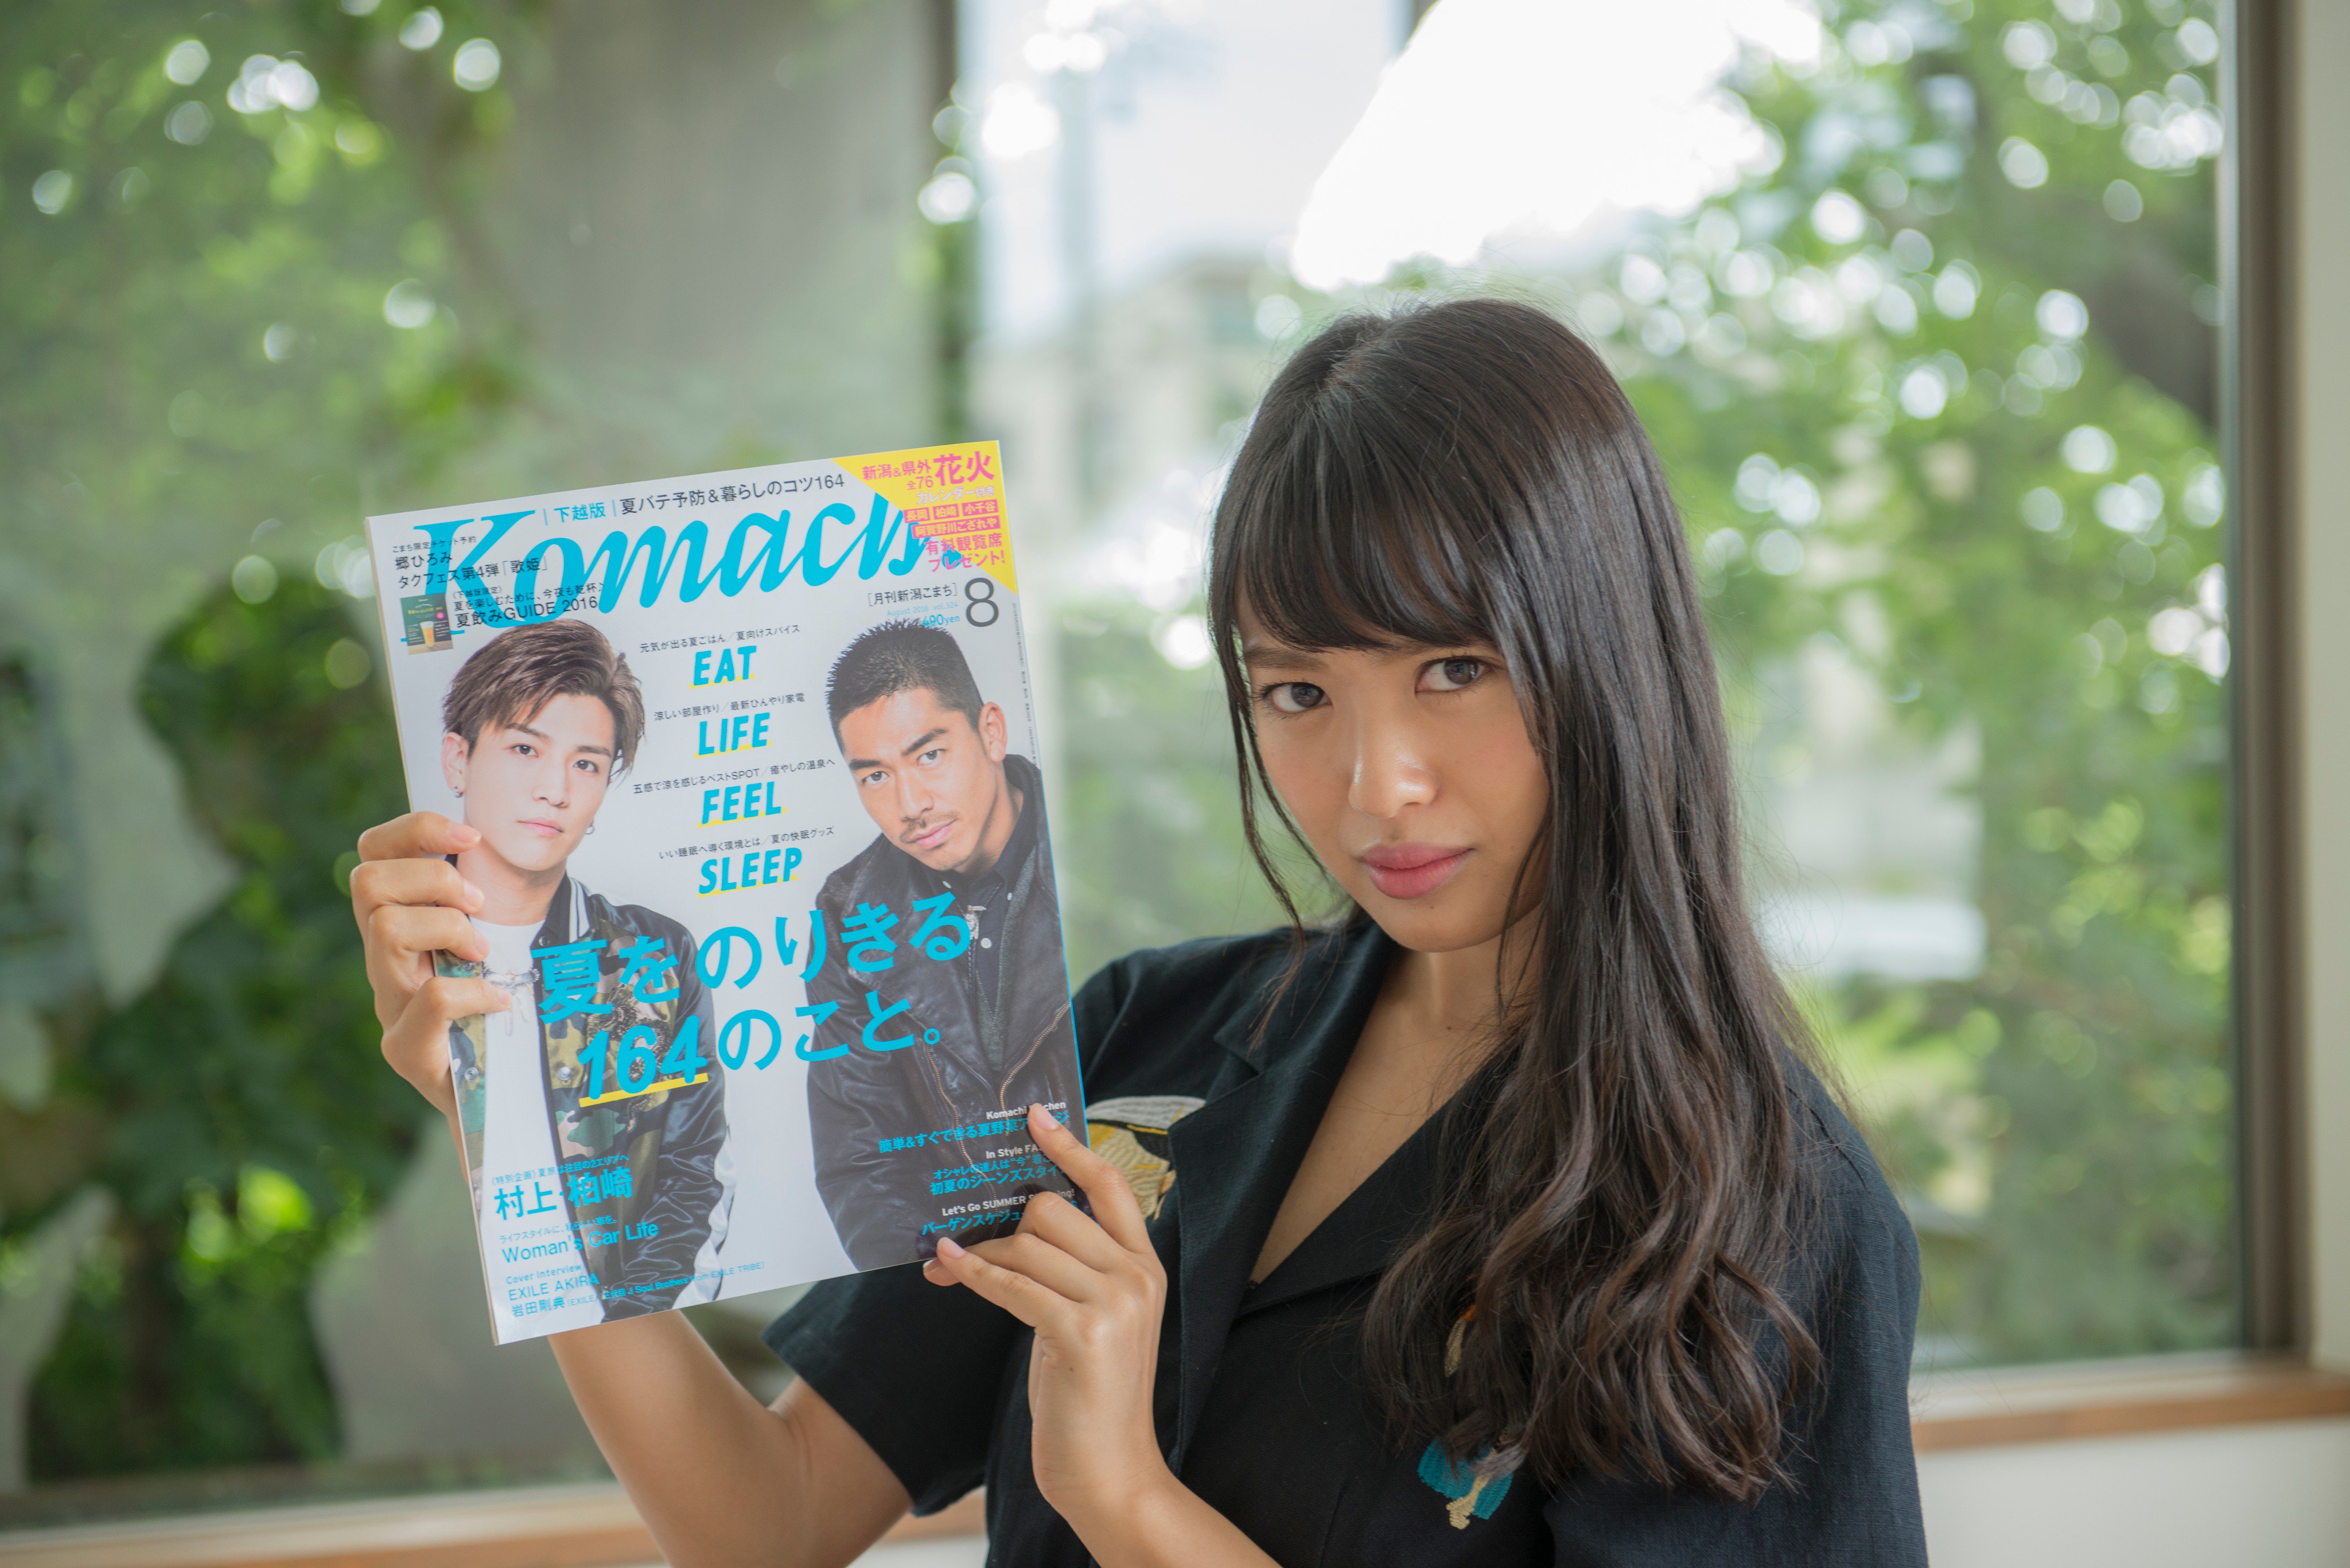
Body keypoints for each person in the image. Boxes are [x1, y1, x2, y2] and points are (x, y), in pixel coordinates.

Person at [351, 299, 1927, 1565]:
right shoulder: (1123, 1043)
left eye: (1454, 669)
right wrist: (522, 1130)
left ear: (1606, 652)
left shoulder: (1763, 1209)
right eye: (1297, 692)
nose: (1376, 781)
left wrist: (1124, 1495)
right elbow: (766, 1522)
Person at [379, 616, 730, 1332]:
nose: (554, 790)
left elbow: (696, 1177)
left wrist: (627, 1327)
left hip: (636, 1339)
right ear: (457, 760)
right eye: (524, 749)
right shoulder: (407, 955)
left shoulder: (654, 956)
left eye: (587, 764)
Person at [805, 620, 1081, 1269]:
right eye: (875, 776)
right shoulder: (851, 912)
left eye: (929, 755)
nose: (911, 804)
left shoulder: (1091, 839)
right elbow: (863, 1162)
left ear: (991, 732)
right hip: (973, 1278)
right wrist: (954, 1290)